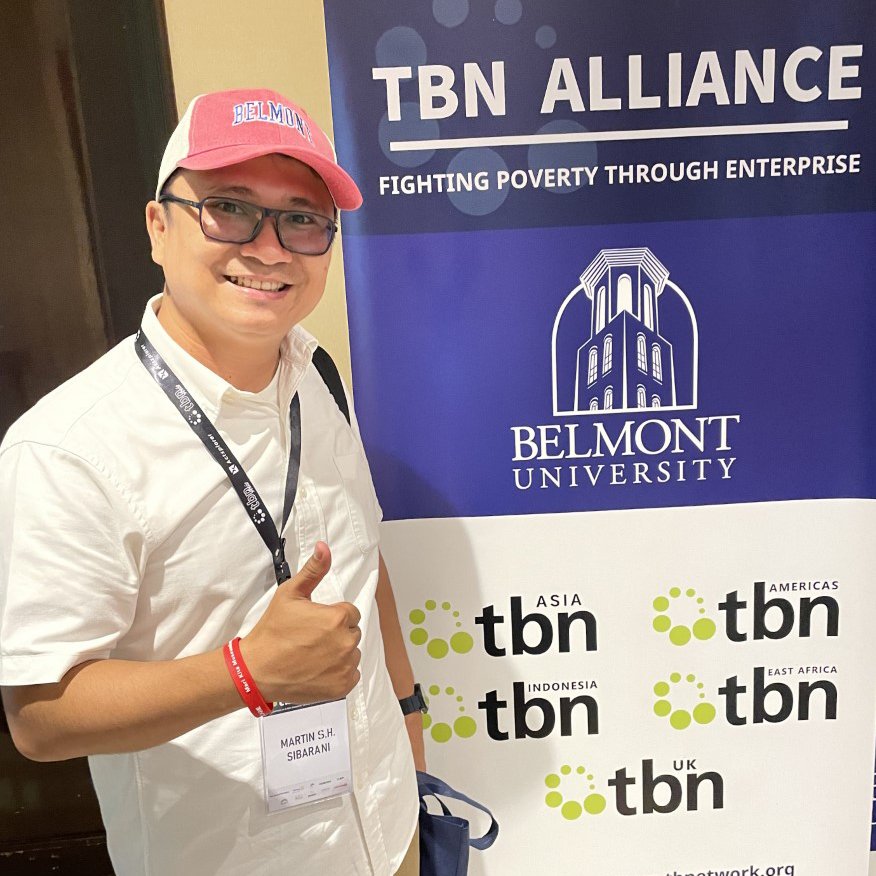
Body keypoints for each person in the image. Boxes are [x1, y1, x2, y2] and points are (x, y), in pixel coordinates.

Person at [0, 88, 425, 875]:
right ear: (159, 226)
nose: (270, 249)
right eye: (229, 209)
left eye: (302, 219)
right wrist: (245, 673)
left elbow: (362, 565)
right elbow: (41, 718)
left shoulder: (316, 375)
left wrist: (408, 716)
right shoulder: (67, 449)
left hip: (385, 824)